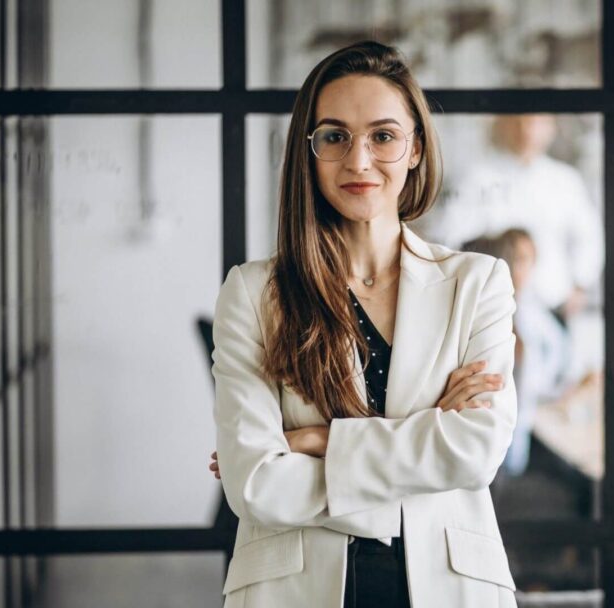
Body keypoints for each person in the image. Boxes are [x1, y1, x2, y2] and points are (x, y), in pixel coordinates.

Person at [206, 41, 518, 608]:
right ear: (309, 150)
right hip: (294, 589)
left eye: (383, 135)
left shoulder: (478, 283)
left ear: (415, 148)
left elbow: (475, 451)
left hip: (450, 584)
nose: (358, 161)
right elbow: (255, 484)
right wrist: (423, 446)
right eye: (334, 136)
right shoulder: (253, 293)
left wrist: (324, 441)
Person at [419, 113, 604, 321]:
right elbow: (450, 236)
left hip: (552, 304)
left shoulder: (565, 181)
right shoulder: (477, 177)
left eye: (536, 122)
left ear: (551, 128)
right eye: (518, 121)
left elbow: (588, 237)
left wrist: (580, 284)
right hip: (489, 305)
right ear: (503, 124)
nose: (527, 130)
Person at [462, 229, 569, 477]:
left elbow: (548, 378)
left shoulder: (534, 314)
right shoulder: (484, 314)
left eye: (530, 260)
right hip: (494, 441)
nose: (526, 269)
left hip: (529, 432)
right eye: (518, 259)